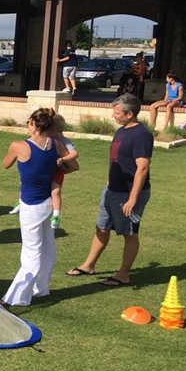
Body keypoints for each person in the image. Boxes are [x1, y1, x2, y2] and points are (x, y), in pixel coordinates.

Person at [66, 94, 152, 287]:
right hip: (112, 189)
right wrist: (108, 183)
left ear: (130, 114)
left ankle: (123, 274)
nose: (113, 116)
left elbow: (143, 168)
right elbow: (117, 160)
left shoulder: (141, 135)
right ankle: (88, 265)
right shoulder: (121, 131)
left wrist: (132, 199)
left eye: (117, 113)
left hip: (129, 193)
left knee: (129, 233)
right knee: (102, 227)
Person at [1, 108, 78, 306]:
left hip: (32, 206)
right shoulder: (57, 144)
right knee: (47, 248)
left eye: (28, 123)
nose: (27, 126)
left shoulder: (18, 146)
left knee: (31, 253)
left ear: (35, 124)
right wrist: (56, 164)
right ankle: (41, 289)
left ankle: (16, 298)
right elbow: (73, 166)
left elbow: (5, 164)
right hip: (48, 204)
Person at [7, 114, 80, 230]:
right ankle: (20, 203)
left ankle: (56, 215)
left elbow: (75, 156)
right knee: (25, 183)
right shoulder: (50, 141)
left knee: (55, 191)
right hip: (49, 171)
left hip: (57, 169)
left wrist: (63, 160)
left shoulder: (62, 142)